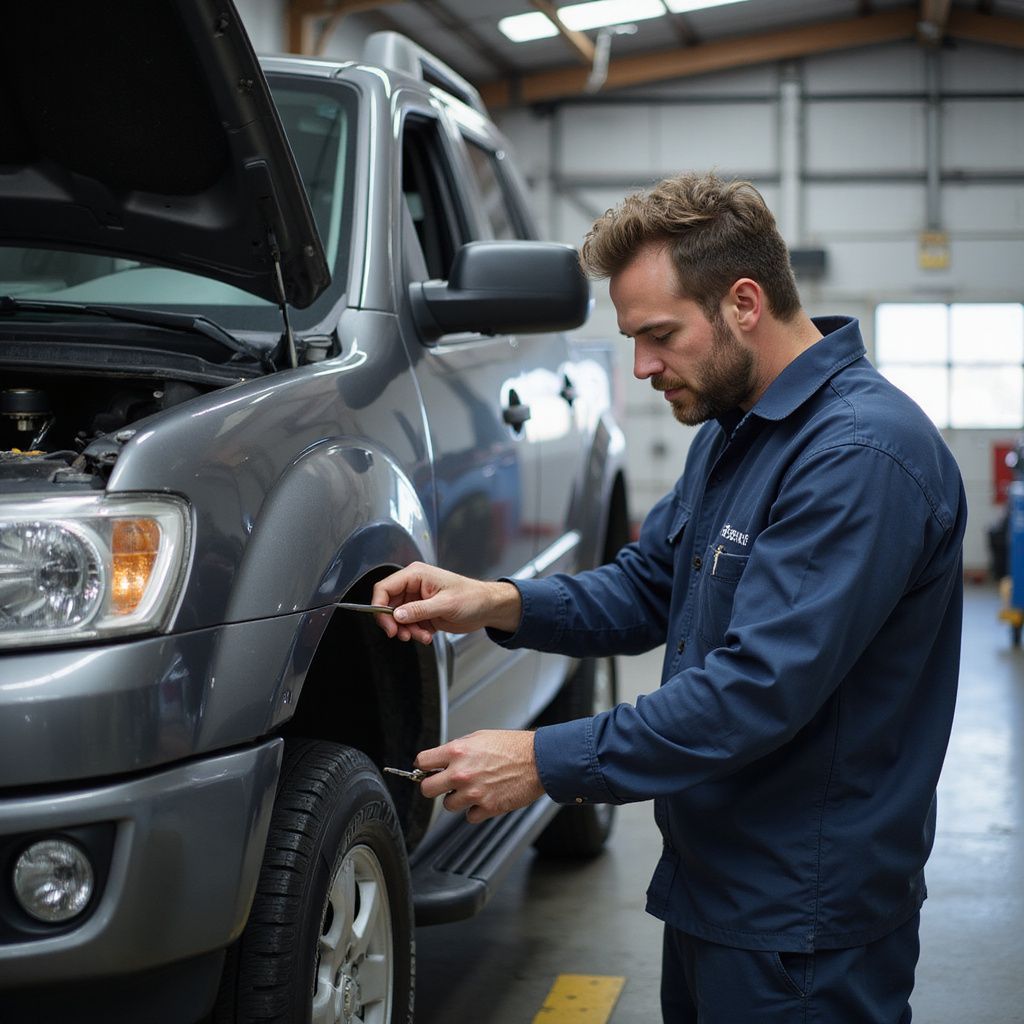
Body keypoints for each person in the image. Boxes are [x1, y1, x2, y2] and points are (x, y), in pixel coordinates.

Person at [371, 171, 966, 1023]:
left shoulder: (860, 457)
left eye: (659, 335)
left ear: (745, 303)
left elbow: (755, 691)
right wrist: (496, 600)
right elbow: (652, 587)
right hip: (716, 885)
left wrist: (541, 761)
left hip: (799, 920)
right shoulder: (735, 430)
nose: (643, 367)